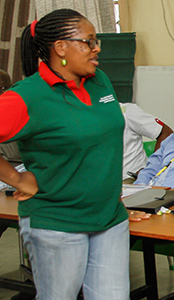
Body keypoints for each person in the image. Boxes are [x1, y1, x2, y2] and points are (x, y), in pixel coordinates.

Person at [0, 9, 148, 299]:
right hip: (58, 223)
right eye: (89, 42)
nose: (97, 48)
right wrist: (17, 180)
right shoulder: (27, 96)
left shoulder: (100, 80)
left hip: (109, 219)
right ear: (61, 47)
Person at [121, 102, 173, 180]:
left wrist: (152, 168)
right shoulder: (96, 118)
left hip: (131, 181)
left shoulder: (125, 111)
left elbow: (166, 133)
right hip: (101, 183)